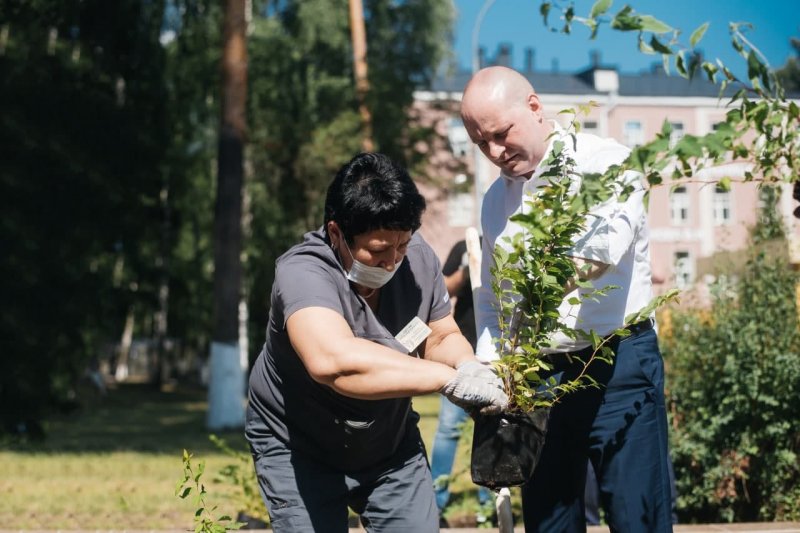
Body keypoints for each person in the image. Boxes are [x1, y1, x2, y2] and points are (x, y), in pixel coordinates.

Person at [245, 152, 508, 533]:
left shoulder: (417, 261)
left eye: (402, 245)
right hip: (299, 447)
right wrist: (445, 380)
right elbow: (334, 362)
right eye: (379, 250)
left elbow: (440, 335)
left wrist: (467, 366)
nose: (393, 261)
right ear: (336, 234)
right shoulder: (302, 272)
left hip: (388, 445)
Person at [461, 66, 673, 532]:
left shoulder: (605, 163)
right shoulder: (495, 201)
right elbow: (495, 299)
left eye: (501, 134)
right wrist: (494, 371)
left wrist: (539, 288)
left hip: (618, 365)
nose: (494, 152)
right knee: (549, 523)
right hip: (539, 378)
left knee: (639, 517)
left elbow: (601, 254)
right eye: (481, 143)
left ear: (534, 107)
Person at [429, 239, 491, 522]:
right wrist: (467, 270)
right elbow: (442, 289)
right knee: (448, 430)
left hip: (498, 354)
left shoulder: (514, 241)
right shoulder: (465, 245)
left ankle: (487, 507)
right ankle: (436, 503)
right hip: (462, 352)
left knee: (493, 429)